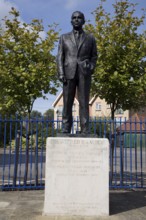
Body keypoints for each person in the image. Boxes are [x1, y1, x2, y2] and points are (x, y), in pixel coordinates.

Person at [57, 11, 97, 134]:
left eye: (79, 18)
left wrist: (90, 66)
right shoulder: (64, 37)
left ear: (83, 21)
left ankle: (85, 128)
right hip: (68, 72)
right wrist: (61, 72)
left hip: (84, 72)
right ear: (71, 21)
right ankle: (65, 128)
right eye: (74, 18)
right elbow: (59, 56)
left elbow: (94, 56)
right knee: (67, 102)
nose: (76, 19)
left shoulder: (90, 38)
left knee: (84, 101)